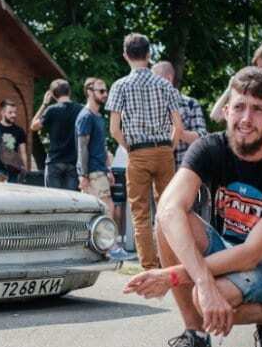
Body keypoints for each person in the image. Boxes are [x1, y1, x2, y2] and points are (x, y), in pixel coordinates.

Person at [123, 66, 262, 347]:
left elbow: (252, 253)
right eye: (239, 107)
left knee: (206, 297)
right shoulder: (209, 148)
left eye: (258, 110)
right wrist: (200, 278)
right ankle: (196, 338)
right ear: (226, 110)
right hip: (227, 247)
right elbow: (169, 209)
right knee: (169, 224)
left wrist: (172, 276)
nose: (246, 119)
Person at [106, 33, 184, 271]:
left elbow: (114, 129)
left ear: (125, 56)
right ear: (149, 55)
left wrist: (130, 148)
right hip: (163, 151)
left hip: (138, 153)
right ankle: (169, 260)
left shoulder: (120, 86)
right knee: (167, 210)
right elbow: (178, 126)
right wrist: (168, 147)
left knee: (140, 212)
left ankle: (149, 266)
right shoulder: (165, 85)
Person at [76, 77, 129, 259]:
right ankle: (110, 247)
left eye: (105, 90)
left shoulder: (98, 117)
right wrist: (83, 174)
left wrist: (108, 169)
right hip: (92, 171)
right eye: (101, 91)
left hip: (100, 170)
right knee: (108, 208)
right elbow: (82, 146)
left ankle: (101, 247)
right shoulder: (85, 116)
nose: (105, 94)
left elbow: (102, 147)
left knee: (100, 210)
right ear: (89, 92)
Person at [151, 61, 207, 168]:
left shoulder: (190, 104)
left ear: (168, 79)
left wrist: (177, 131)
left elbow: (202, 138)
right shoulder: (149, 107)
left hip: (185, 172)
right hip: (157, 174)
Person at [31, 79, 82, 190]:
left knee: (54, 200)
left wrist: (44, 104)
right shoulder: (80, 110)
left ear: (53, 95)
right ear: (69, 92)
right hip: (73, 162)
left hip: (54, 161)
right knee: (72, 201)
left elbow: (33, 126)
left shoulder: (51, 110)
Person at [0, 99, 28, 183]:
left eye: (15, 112)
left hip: (14, 172)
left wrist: (25, 171)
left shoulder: (20, 131)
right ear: (2, 113)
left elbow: (23, 152)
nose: (14, 115)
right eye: (10, 112)